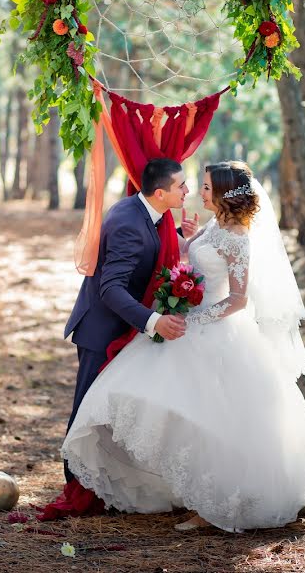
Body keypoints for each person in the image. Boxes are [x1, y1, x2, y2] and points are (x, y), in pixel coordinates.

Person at [63, 161, 305, 532]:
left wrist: (194, 319)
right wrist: (188, 240)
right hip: (184, 322)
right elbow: (193, 256)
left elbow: (238, 299)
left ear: (226, 196)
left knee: (211, 416)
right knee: (173, 407)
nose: (198, 191)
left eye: (207, 187)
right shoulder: (214, 224)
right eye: (194, 185)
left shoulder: (238, 237)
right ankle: (166, 485)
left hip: (214, 330)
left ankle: (211, 504)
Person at [63, 157, 193, 484]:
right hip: (102, 330)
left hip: (122, 328)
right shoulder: (127, 223)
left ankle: (103, 482)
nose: (187, 191)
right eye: (181, 186)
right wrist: (153, 322)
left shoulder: (147, 213)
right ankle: (76, 485)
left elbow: (146, 251)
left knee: (110, 413)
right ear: (161, 192)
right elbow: (111, 288)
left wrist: (177, 235)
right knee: (87, 411)